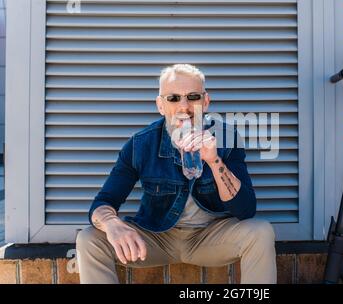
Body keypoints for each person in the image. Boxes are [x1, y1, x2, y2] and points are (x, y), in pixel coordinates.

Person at [76, 64, 277, 284]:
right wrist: (111, 224)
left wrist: (213, 159)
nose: (184, 107)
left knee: (261, 232)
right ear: (160, 105)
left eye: (193, 97)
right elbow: (103, 202)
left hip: (210, 237)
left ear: (206, 101)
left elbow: (246, 210)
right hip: (156, 237)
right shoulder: (140, 145)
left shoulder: (226, 138)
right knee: (89, 238)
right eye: (173, 98)